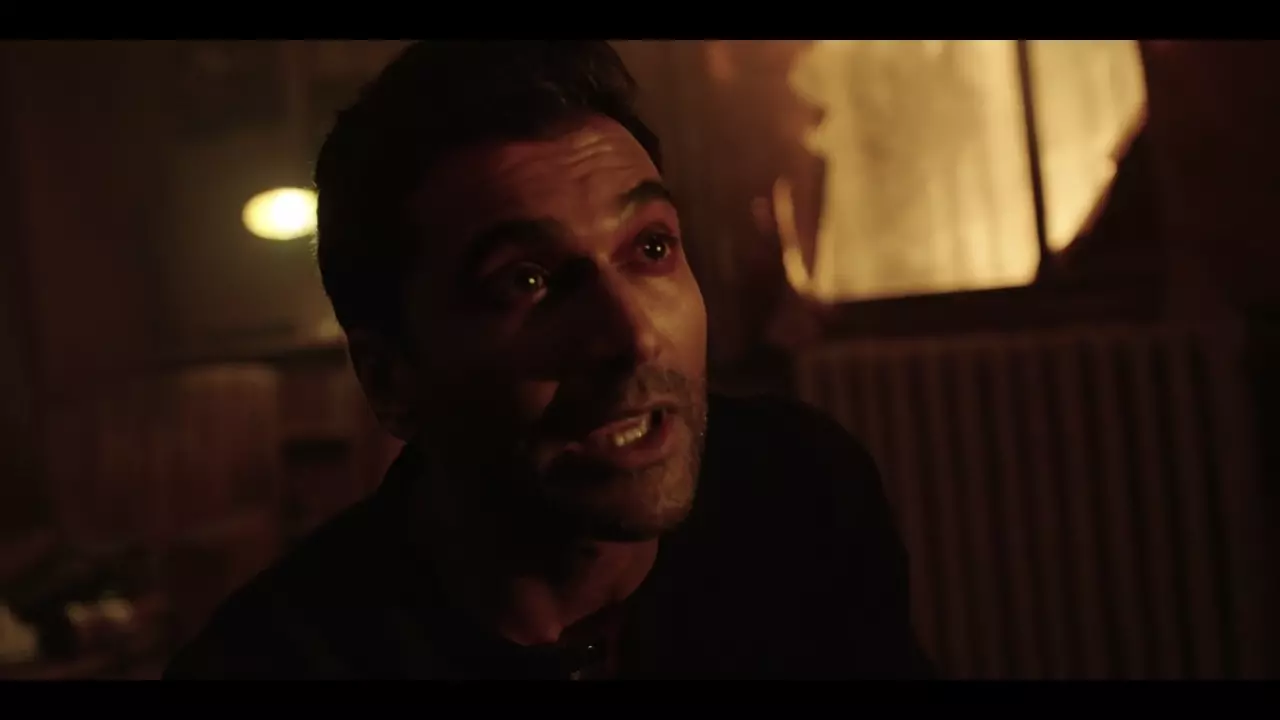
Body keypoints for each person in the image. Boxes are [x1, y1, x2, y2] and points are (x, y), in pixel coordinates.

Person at [163, 41, 934, 680]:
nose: (633, 337)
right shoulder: (275, 665)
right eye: (525, 282)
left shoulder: (803, 496)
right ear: (391, 380)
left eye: (650, 248)